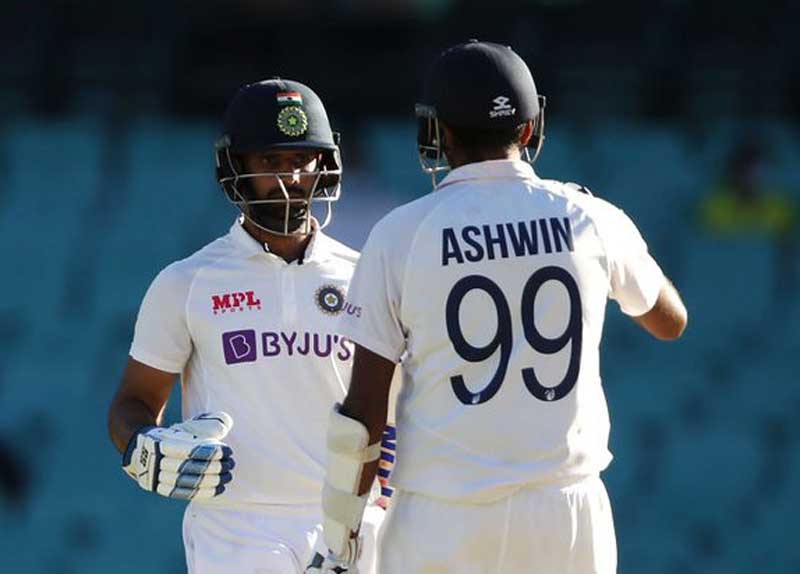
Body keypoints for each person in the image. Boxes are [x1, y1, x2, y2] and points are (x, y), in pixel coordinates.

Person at [312, 41, 688, 574]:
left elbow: (363, 414)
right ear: (530, 130)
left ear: (439, 132)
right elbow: (670, 321)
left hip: (446, 514)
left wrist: (340, 539)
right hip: (569, 511)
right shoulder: (588, 215)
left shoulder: (401, 233)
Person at [108, 78, 391, 574]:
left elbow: (398, 411)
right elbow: (133, 403)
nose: (290, 179)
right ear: (235, 166)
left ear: (324, 165)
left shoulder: (363, 275)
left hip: (351, 521)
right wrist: (142, 445)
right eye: (271, 161)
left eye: (302, 160)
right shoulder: (187, 283)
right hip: (237, 527)